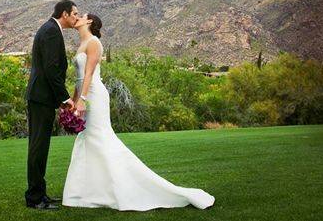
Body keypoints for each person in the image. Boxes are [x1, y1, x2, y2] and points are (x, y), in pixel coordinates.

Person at [62, 13, 216, 211]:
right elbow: (79, 78)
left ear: (89, 21)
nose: (78, 18)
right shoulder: (81, 45)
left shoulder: (94, 43)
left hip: (95, 97)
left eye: (81, 16)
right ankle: (86, 194)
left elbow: (90, 74)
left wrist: (82, 100)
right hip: (83, 95)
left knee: (100, 138)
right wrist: (74, 102)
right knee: (87, 139)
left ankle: (120, 190)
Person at [24, 0, 79, 210]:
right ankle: (35, 198)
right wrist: (65, 98)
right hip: (41, 98)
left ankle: (40, 193)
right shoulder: (51, 31)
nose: (76, 17)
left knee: (41, 147)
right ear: (64, 14)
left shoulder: (51, 29)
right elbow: (50, 68)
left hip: (43, 98)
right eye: (74, 13)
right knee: (38, 147)